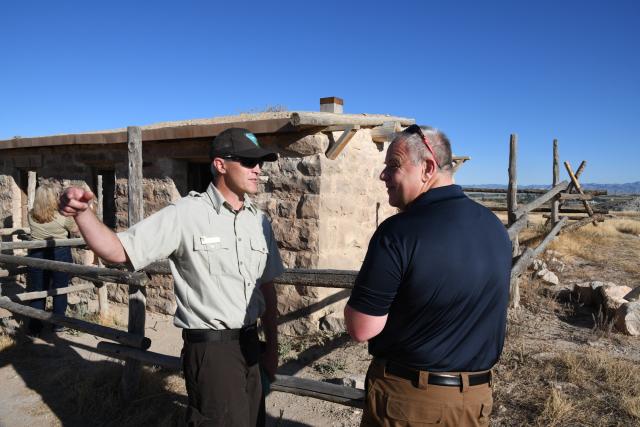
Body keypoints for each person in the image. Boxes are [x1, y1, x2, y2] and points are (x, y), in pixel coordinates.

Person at [59, 128, 284, 427]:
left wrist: (273, 349)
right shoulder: (185, 214)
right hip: (212, 351)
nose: (257, 169)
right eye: (247, 161)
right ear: (220, 165)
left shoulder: (258, 221)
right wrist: (83, 214)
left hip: (251, 344)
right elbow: (119, 250)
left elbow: (266, 285)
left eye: (260, 163)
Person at [344, 125, 511, 426]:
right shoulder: (494, 227)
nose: (383, 175)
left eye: (393, 166)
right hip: (475, 402)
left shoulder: (399, 233)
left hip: (410, 402)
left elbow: (361, 328)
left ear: (428, 168)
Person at [26, 183, 77, 336]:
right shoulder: (63, 217)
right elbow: (75, 230)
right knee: (60, 288)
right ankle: (58, 324)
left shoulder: (30, 215)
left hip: (36, 253)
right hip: (59, 252)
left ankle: (35, 327)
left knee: (37, 290)